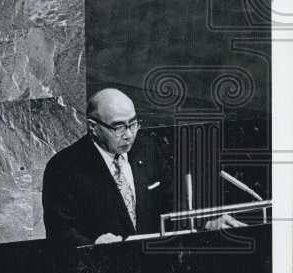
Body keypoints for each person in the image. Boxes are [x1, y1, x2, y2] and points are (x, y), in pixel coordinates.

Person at [42, 88, 244, 246]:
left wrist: (205, 226)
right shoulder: (64, 167)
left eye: (133, 123)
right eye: (119, 127)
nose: (129, 134)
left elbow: (172, 206)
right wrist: (93, 246)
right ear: (94, 127)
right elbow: (60, 233)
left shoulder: (148, 149)